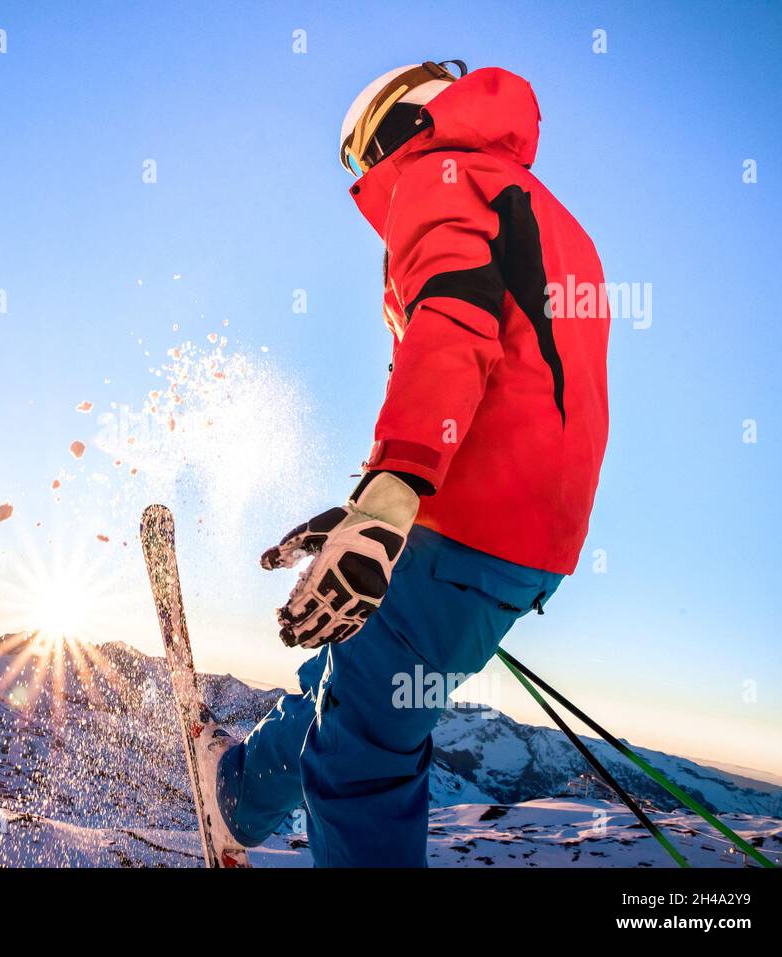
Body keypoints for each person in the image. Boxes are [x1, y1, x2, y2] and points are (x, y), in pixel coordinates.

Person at [195, 61, 610, 866]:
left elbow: (454, 322)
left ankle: (246, 800)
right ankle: (242, 797)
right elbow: (534, 379)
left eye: (361, 159)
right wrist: (381, 498)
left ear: (392, 129)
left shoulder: (435, 177)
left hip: (467, 524)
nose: (367, 182)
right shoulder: (553, 216)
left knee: (365, 754)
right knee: (352, 666)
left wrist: (392, 499)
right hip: (531, 541)